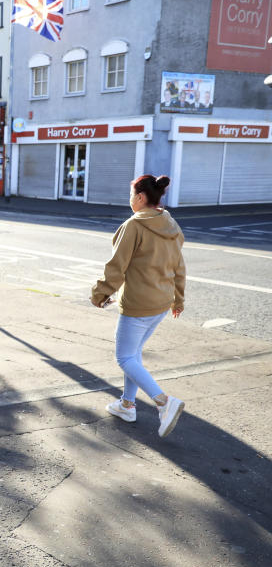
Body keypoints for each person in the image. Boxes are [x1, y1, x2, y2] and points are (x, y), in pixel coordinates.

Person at [91, 175, 186, 437]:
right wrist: (178, 299)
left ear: (141, 197)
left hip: (138, 303)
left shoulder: (134, 226)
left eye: (131, 194)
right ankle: (126, 404)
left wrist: (100, 294)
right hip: (162, 302)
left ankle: (164, 402)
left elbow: (116, 267)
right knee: (134, 354)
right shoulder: (170, 223)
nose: (130, 199)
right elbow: (179, 266)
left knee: (124, 357)